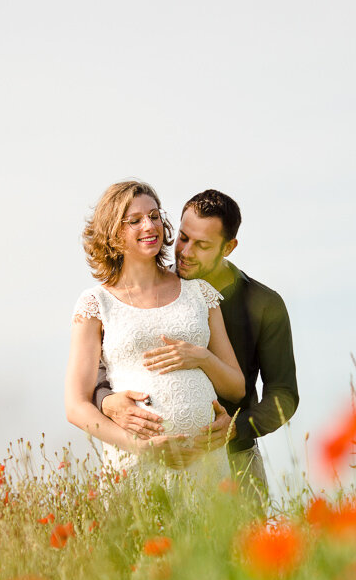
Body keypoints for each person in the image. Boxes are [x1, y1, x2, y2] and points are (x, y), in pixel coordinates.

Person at [96, 189, 297, 498]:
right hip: (155, 461)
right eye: (184, 238)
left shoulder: (264, 304)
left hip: (236, 459)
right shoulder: (154, 289)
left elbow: (284, 396)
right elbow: (107, 358)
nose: (186, 253)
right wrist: (106, 400)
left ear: (228, 247)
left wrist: (235, 429)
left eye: (202, 245)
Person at [65, 180, 245, 479]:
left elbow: (236, 387)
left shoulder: (200, 293)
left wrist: (201, 357)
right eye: (134, 221)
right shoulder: (96, 304)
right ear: (113, 233)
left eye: (154, 215)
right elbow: (76, 406)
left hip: (206, 463)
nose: (149, 226)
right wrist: (140, 446)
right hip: (138, 464)